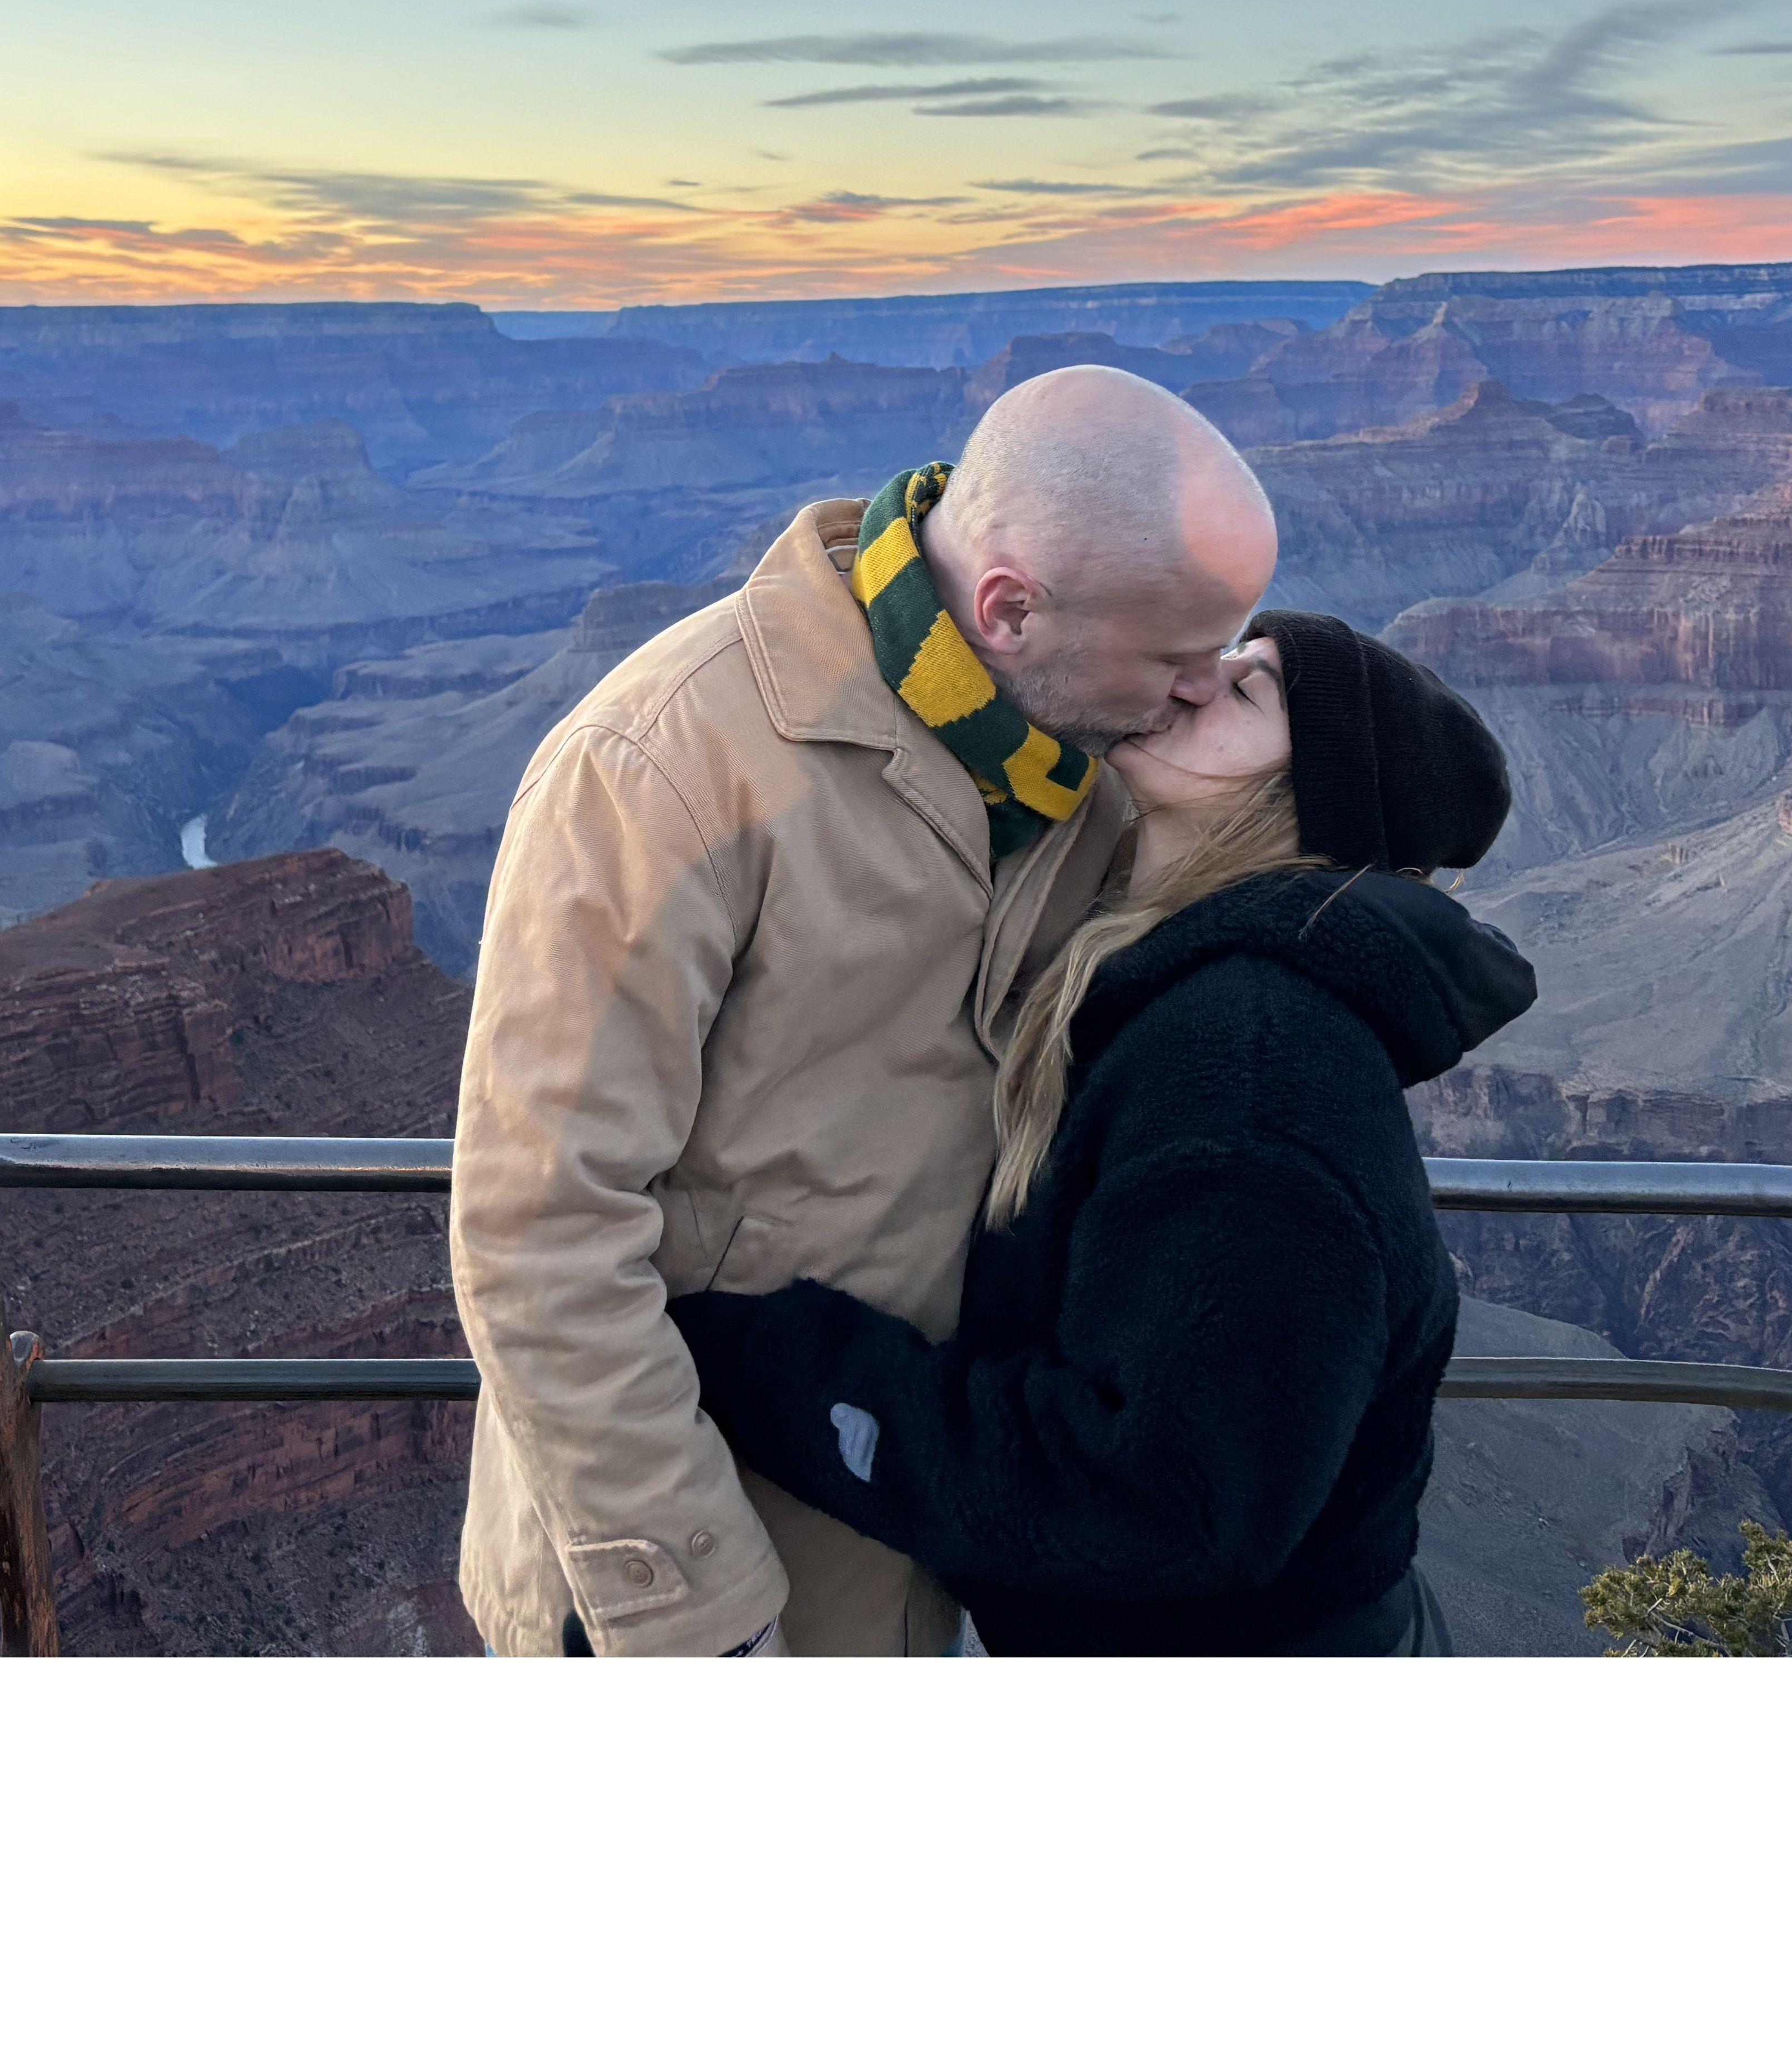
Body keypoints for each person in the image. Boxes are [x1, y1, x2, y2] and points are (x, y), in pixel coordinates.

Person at [449, 364, 1282, 1656]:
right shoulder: (662, 768)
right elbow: (539, 1230)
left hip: (929, 1539)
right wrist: (701, 1624)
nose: (1200, 691)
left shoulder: (1088, 763)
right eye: (1177, 658)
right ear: (1008, 609)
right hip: (699, 1575)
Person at [666, 611, 1532, 1656]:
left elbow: (1165, 1496)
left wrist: (775, 1366)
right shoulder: (1177, 981)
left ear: (1308, 803)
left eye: (1248, 692)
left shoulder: (1252, 1069)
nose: (1195, 678)